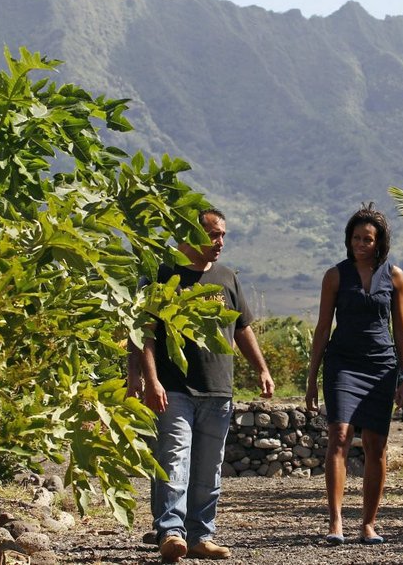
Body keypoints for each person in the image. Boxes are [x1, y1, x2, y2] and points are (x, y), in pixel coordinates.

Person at [131, 208, 274, 562]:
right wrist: (148, 379)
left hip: (218, 389)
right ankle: (171, 533)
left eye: (223, 235)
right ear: (190, 235)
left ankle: (201, 535)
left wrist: (262, 368)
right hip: (173, 388)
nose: (220, 242)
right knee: (174, 459)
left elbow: (242, 328)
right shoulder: (163, 275)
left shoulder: (226, 278)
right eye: (213, 235)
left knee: (209, 468)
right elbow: (143, 334)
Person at [305, 204, 403, 546]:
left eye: (368, 238)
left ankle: (368, 524)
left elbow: (401, 331)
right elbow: (323, 328)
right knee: (338, 436)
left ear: (379, 242)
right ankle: (335, 522)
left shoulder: (395, 276)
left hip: (381, 367)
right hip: (342, 364)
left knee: (375, 445)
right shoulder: (335, 276)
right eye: (356, 238)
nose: (361, 244)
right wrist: (311, 376)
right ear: (348, 240)